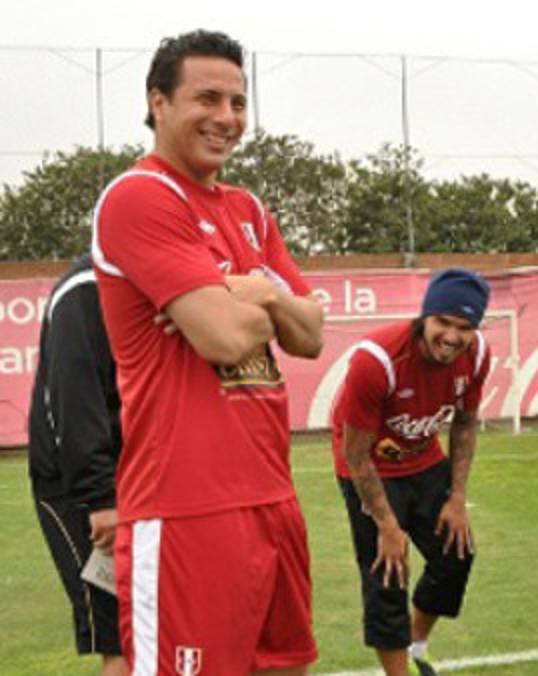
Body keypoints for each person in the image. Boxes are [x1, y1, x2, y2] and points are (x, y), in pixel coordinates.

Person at [91, 30, 325, 674]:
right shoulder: (140, 197)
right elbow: (221, 337)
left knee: (285, 665)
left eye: (239, 103)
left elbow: (310, 334)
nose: (227, 118)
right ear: (158, 102)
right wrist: (266, 299)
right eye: (208, 99)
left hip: (272, 494)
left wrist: (255, 297)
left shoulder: (248, 208)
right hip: (185, 507)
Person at [331, 268, 492, 676]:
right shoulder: (377, 360)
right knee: (388, 575)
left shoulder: (476, 355)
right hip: (368, 468)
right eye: (443, 323)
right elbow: (356, 453)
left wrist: (457, 498)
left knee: (456, 554)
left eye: (464, 327)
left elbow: (465, 422)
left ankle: (417, 647)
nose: (452, 336)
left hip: (424, 461)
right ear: (425, 317)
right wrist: (386, 524)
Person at [28, 255, 127, 676]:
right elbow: (73, 398)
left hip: (135, 478)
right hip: (84, 489)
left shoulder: (142, 282)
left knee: (158, 624)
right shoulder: (84, 289)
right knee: (122, 636)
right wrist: (100, 499)